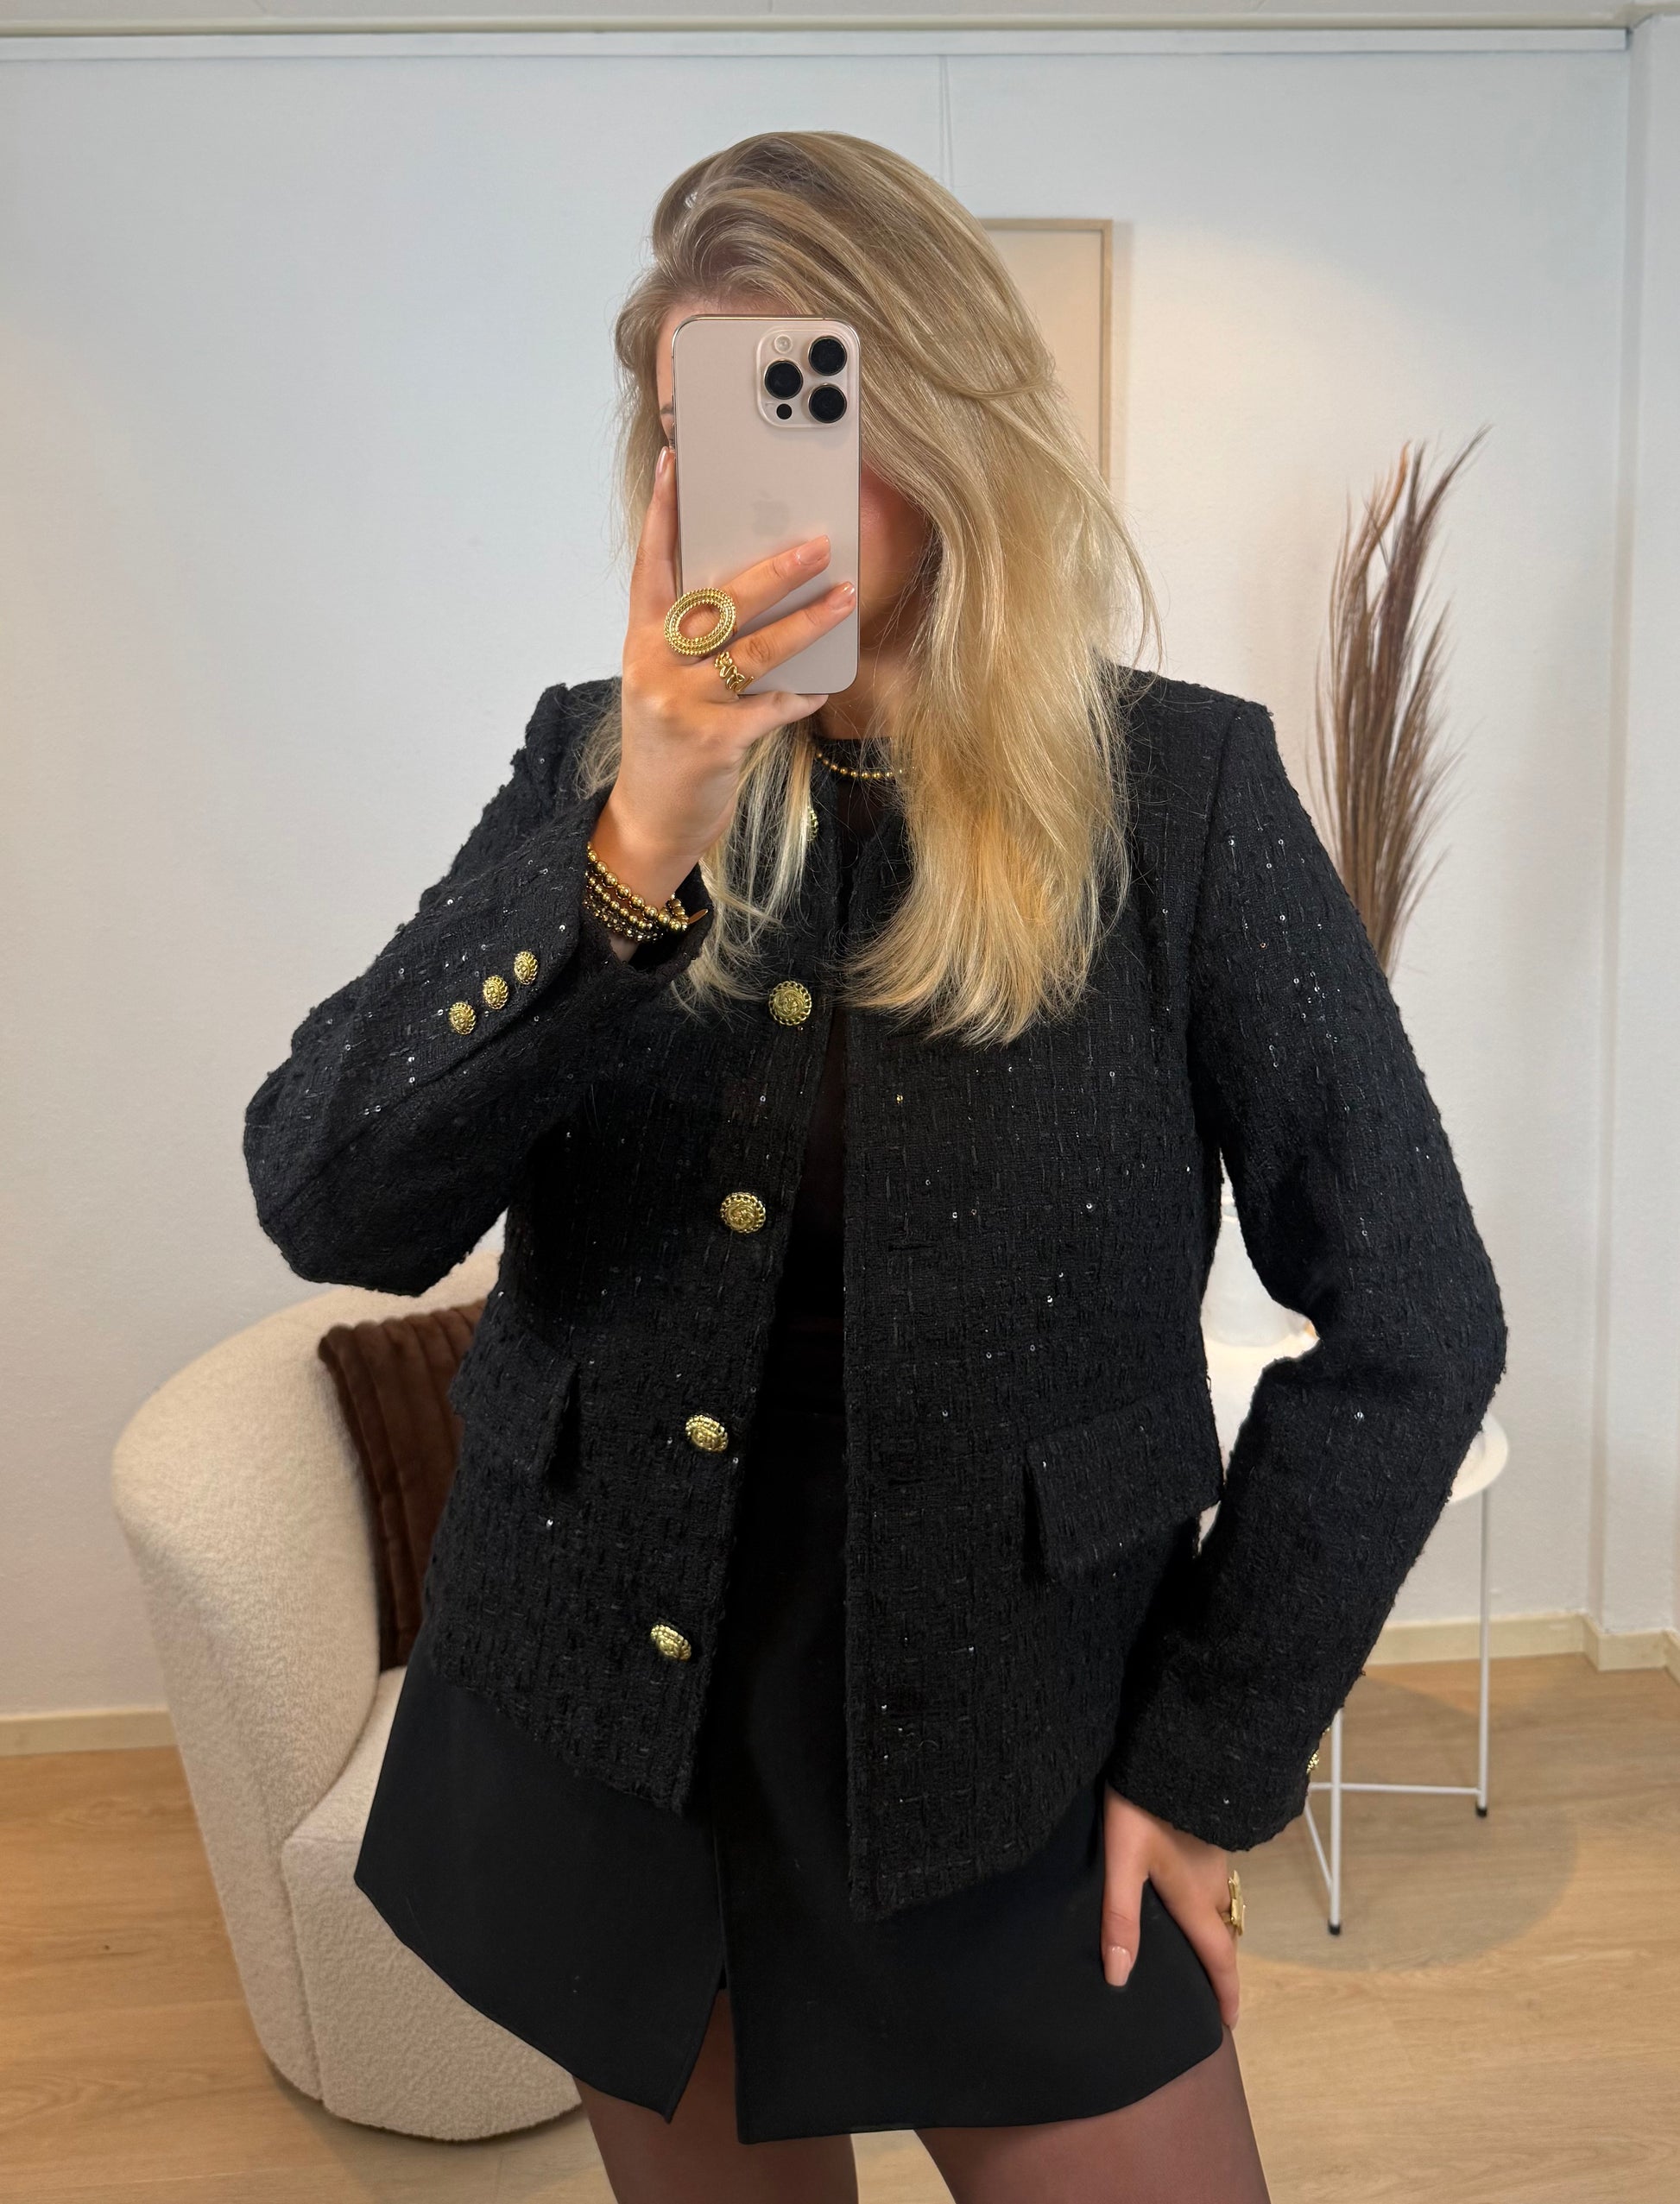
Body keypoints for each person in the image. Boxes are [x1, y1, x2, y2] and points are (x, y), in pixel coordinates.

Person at [243, 131, 1506, 2204]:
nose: (752, 477)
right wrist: (635, 840)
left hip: (1018, 1749)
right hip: (618, 1728)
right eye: (698, 423)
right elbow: (331, 1193)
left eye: (803, 405)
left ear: (939, 414)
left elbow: (1417, 1318)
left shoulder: (1177, 793)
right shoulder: (592, 766)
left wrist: (1209, 1755)